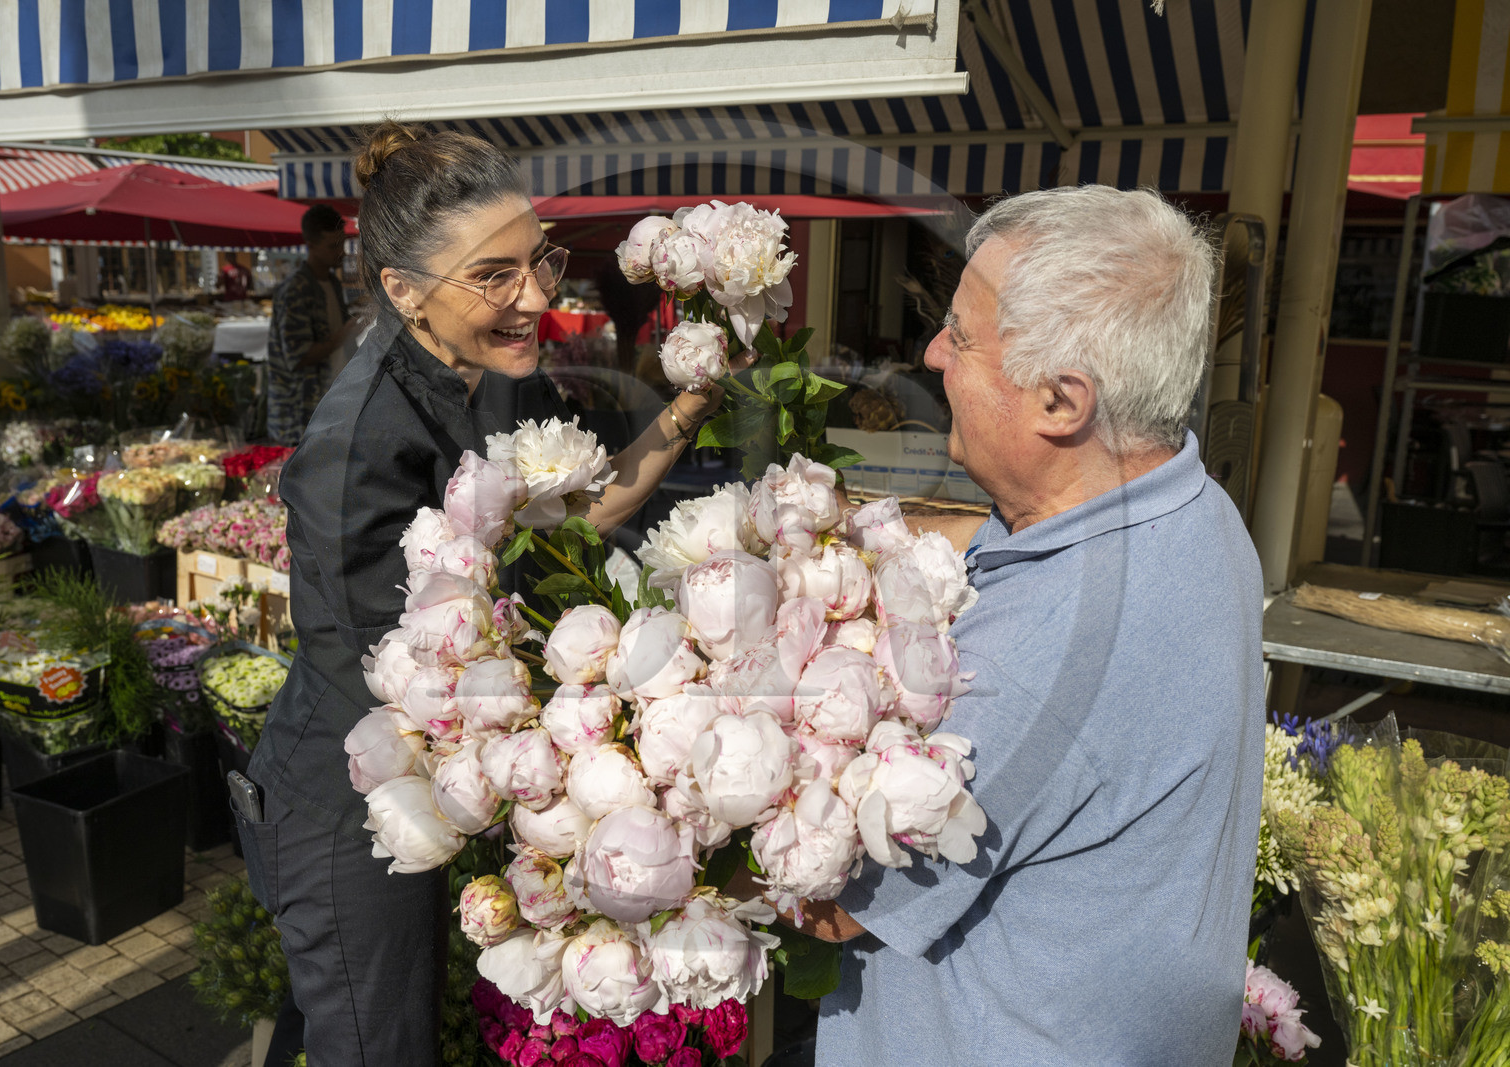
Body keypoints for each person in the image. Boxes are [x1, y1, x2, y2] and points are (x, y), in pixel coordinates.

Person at [239, 121, 741, 1065]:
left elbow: (579, 506)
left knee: (354, 1029)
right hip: (349, 803)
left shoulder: (491, 374)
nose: (535, 297)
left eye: (537, 261)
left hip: (421, 781)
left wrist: (686, 404)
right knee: (377, 1045)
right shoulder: (358, 444)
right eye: (494, 276)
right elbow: (402, 681)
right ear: (402, 290)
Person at [812, 186, 1265, 1065]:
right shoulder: (1195, 507)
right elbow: (1006, 544)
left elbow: (830, 899)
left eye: (963, 336)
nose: (935, 352)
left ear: (1062, 402)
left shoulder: (1040, 660)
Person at [265, 204, 359, 445]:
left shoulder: (332, 283)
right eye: (332, 246)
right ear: (311, 246)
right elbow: (298, 356)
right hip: (299, 415)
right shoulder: (295, 290)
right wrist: (345, 333)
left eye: (341, 244)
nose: (341, 252)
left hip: (329, 405)